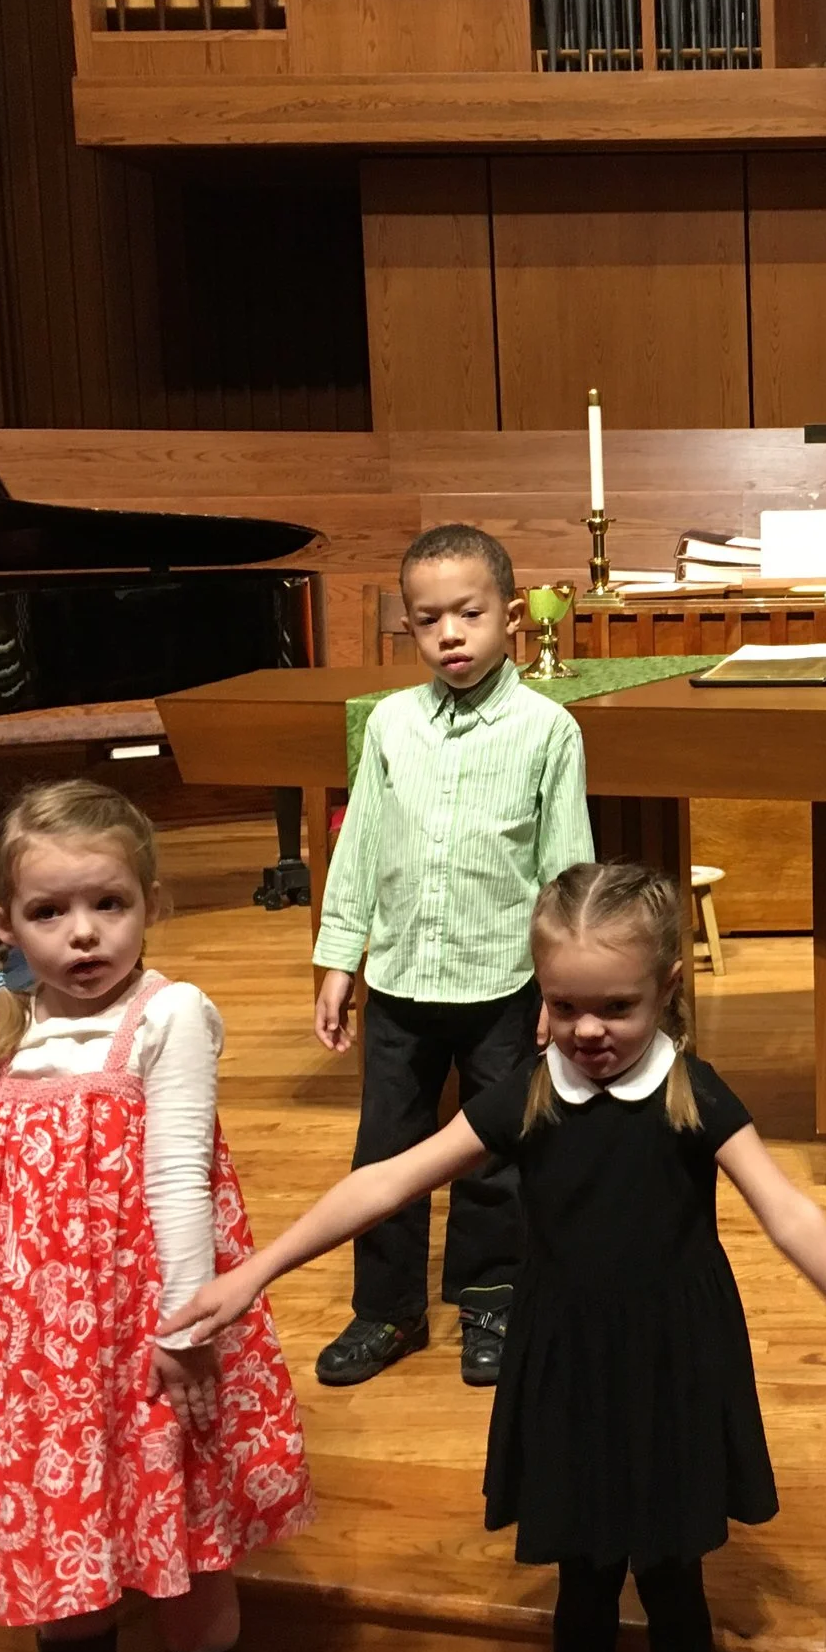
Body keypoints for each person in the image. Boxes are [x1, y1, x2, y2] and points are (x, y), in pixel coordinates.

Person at [168, 860, 826, 1652]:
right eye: (564, 1004)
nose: (588, 1029)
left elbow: (792, 1213)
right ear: (540, 990)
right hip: (567, 1359)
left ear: (667, 986)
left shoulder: (691, 1092)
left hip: (673, 1354)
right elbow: (389, 1178)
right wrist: (257, 1270)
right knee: (585, 1576)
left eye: (617, 1006)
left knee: (674, 1576)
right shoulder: (525, 1096)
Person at [0, 780, 312, 1652]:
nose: (82, 933)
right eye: (48, 910)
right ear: (4, 923)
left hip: (152, 1332)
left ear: (152, 903)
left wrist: (185, 1334)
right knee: (63, 1554)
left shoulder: (169, 1014)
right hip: (43, 1354)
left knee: (183, 1532)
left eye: (109, 903)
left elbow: (180, 1178)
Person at [310, 522, 594, 1387]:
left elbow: (565, 868)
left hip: (503, 981)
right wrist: (338, 958)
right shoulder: (392, 725)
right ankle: (386, 1309)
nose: (450, 635)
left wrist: (562, 983)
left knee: (494, 1149)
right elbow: (358, 845)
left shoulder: (549, 729)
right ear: (410, 625)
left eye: (467, 614)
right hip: (399, 979)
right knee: (385, 1148)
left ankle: (492, 1297)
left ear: (511, 617)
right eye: (428, 619)